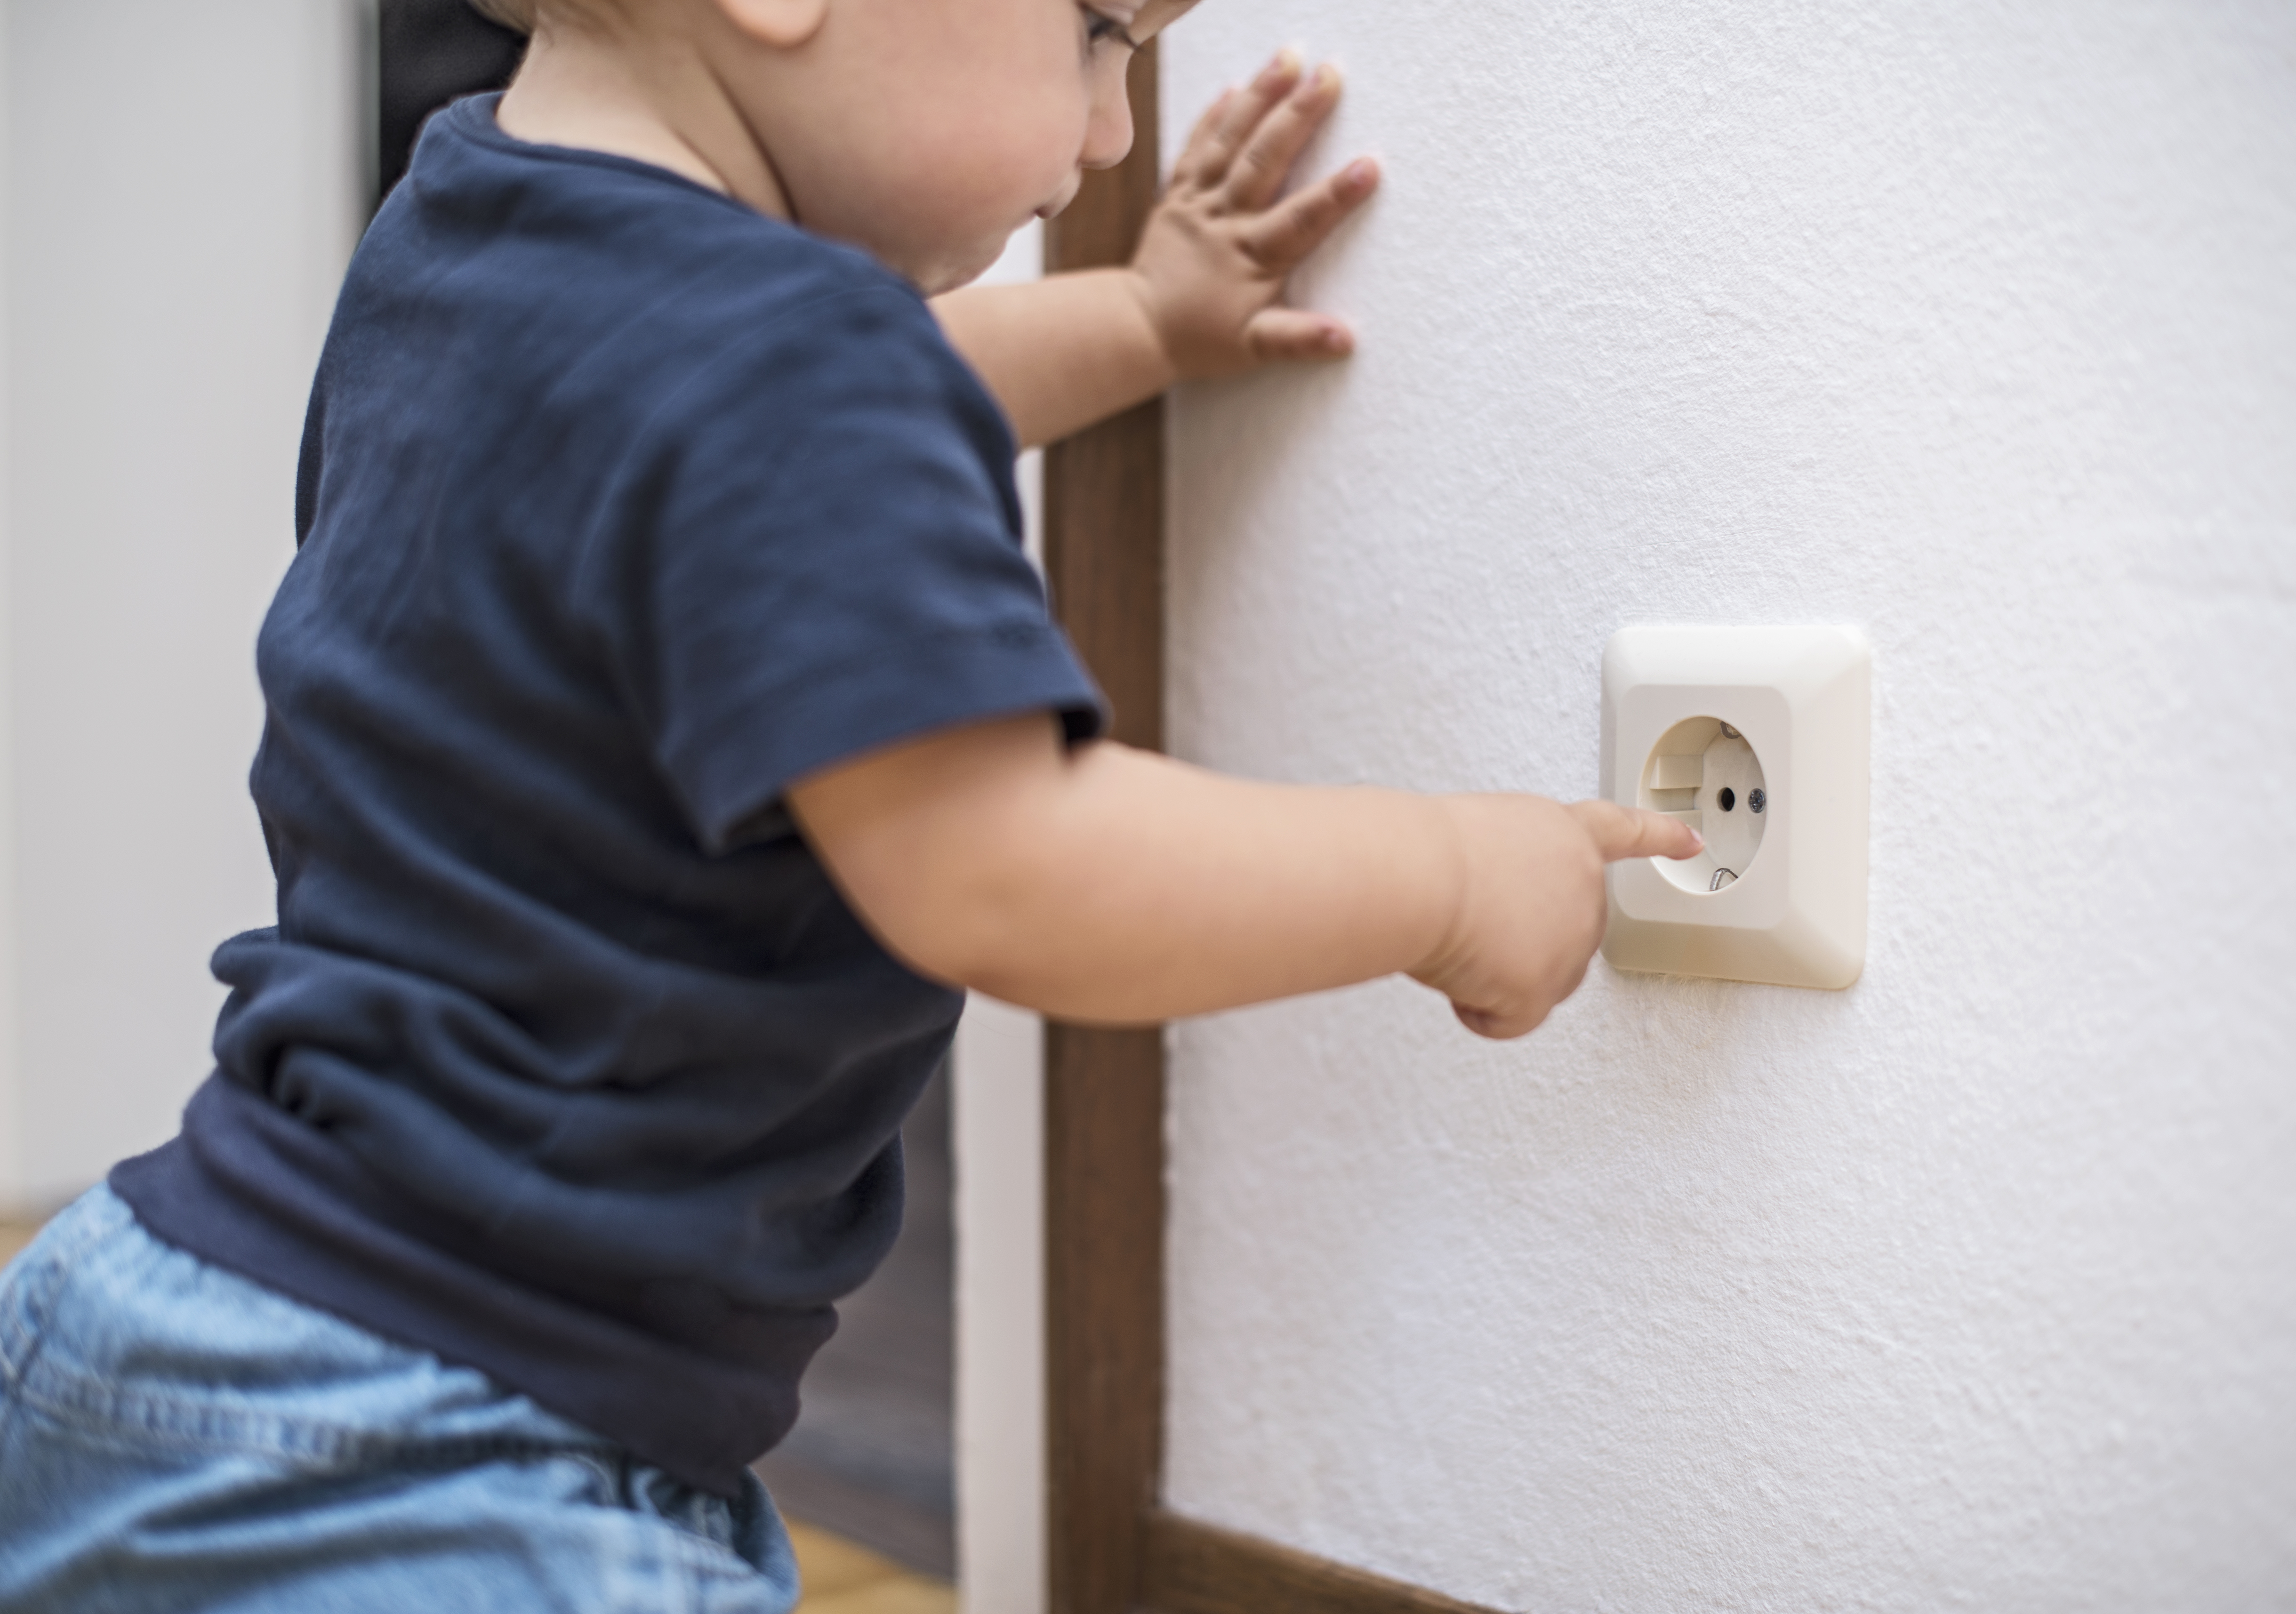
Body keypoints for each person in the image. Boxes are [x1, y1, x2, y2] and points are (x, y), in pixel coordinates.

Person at [0, 0, 1700, 1607]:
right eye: (1096, 32)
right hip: (452, 1448)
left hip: (157, 1308)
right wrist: (1459, 875)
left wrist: (1134, 322)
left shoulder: (460, 235)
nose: (1113, 133)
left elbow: (802, 433)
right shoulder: (791, 356)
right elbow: (1016, 869)